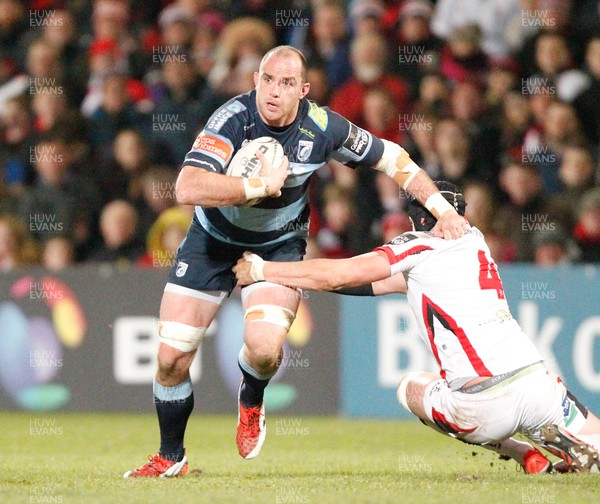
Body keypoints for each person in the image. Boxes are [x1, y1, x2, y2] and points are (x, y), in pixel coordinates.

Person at [123, 45, 467, 478]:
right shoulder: (232, 119)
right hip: (210, 242)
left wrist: (443, 209)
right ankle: (171, 457)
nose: (273, 91)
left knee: (265, 351)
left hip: (277, 245)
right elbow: (187, 187)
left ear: (303, 91)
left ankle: (251, 397)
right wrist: (255, 186)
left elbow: (393, 159)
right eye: (267, 80)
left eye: (286, 84)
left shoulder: (322, 126)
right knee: (171, 358)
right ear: (255, 81)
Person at [233, 181, 600, 474]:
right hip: (537, 383)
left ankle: (523, 454)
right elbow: (375, 284)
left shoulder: (418, 247)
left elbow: (340, 273)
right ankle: (561, 441)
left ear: (417, 221)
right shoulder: (477, 244)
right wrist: (312, 281)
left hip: (479, 405)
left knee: (410, 387)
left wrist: (265, 271)